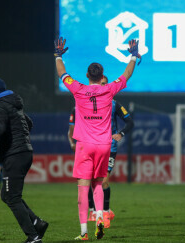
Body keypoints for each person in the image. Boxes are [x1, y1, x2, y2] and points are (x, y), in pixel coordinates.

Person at [55, 37, 139, 240]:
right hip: (104, 145)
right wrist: (133, 55)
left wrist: (58, 55)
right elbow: (126, 75)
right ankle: (100, 217)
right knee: (99, 184)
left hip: (84, 146)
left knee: (83, 189)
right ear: (102, 76)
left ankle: (84, 232)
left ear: (86, 75)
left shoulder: (78, 89)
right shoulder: (109, 90)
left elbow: (62, 74)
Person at [0, 78, 48, 243]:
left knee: (12, 197)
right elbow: (29, 123)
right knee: (7, 194)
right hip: (25, 152)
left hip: (15, 155)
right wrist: (19, 136)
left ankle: (33, 237)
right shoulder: (14, 105)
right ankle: (37, 223)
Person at [68, 76, 134, 229]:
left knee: (103, 181)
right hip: (93, 144)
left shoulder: (114, 104)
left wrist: (121, 134)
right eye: (101, 84)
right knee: (91, 181)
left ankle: (104, 212)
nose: (102, 87)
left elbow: (130, 122)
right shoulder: (86, 103)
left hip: (109, 147)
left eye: (105, 84)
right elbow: (72, 126)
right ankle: (96, 211)